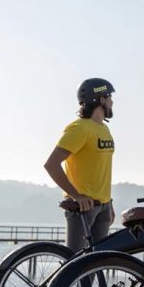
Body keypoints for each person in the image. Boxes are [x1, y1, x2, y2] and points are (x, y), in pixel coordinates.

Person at [43, 78, 116, 253]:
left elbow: (100, 168)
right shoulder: (79, 128)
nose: (112, 101)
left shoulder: (104, 129)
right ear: (101, 99)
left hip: (103, 207)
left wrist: (109, 203)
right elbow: (51, 164)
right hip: (83, 208)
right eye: (109, 97)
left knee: (95, 266)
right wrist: (76, 196)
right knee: (74, 265)